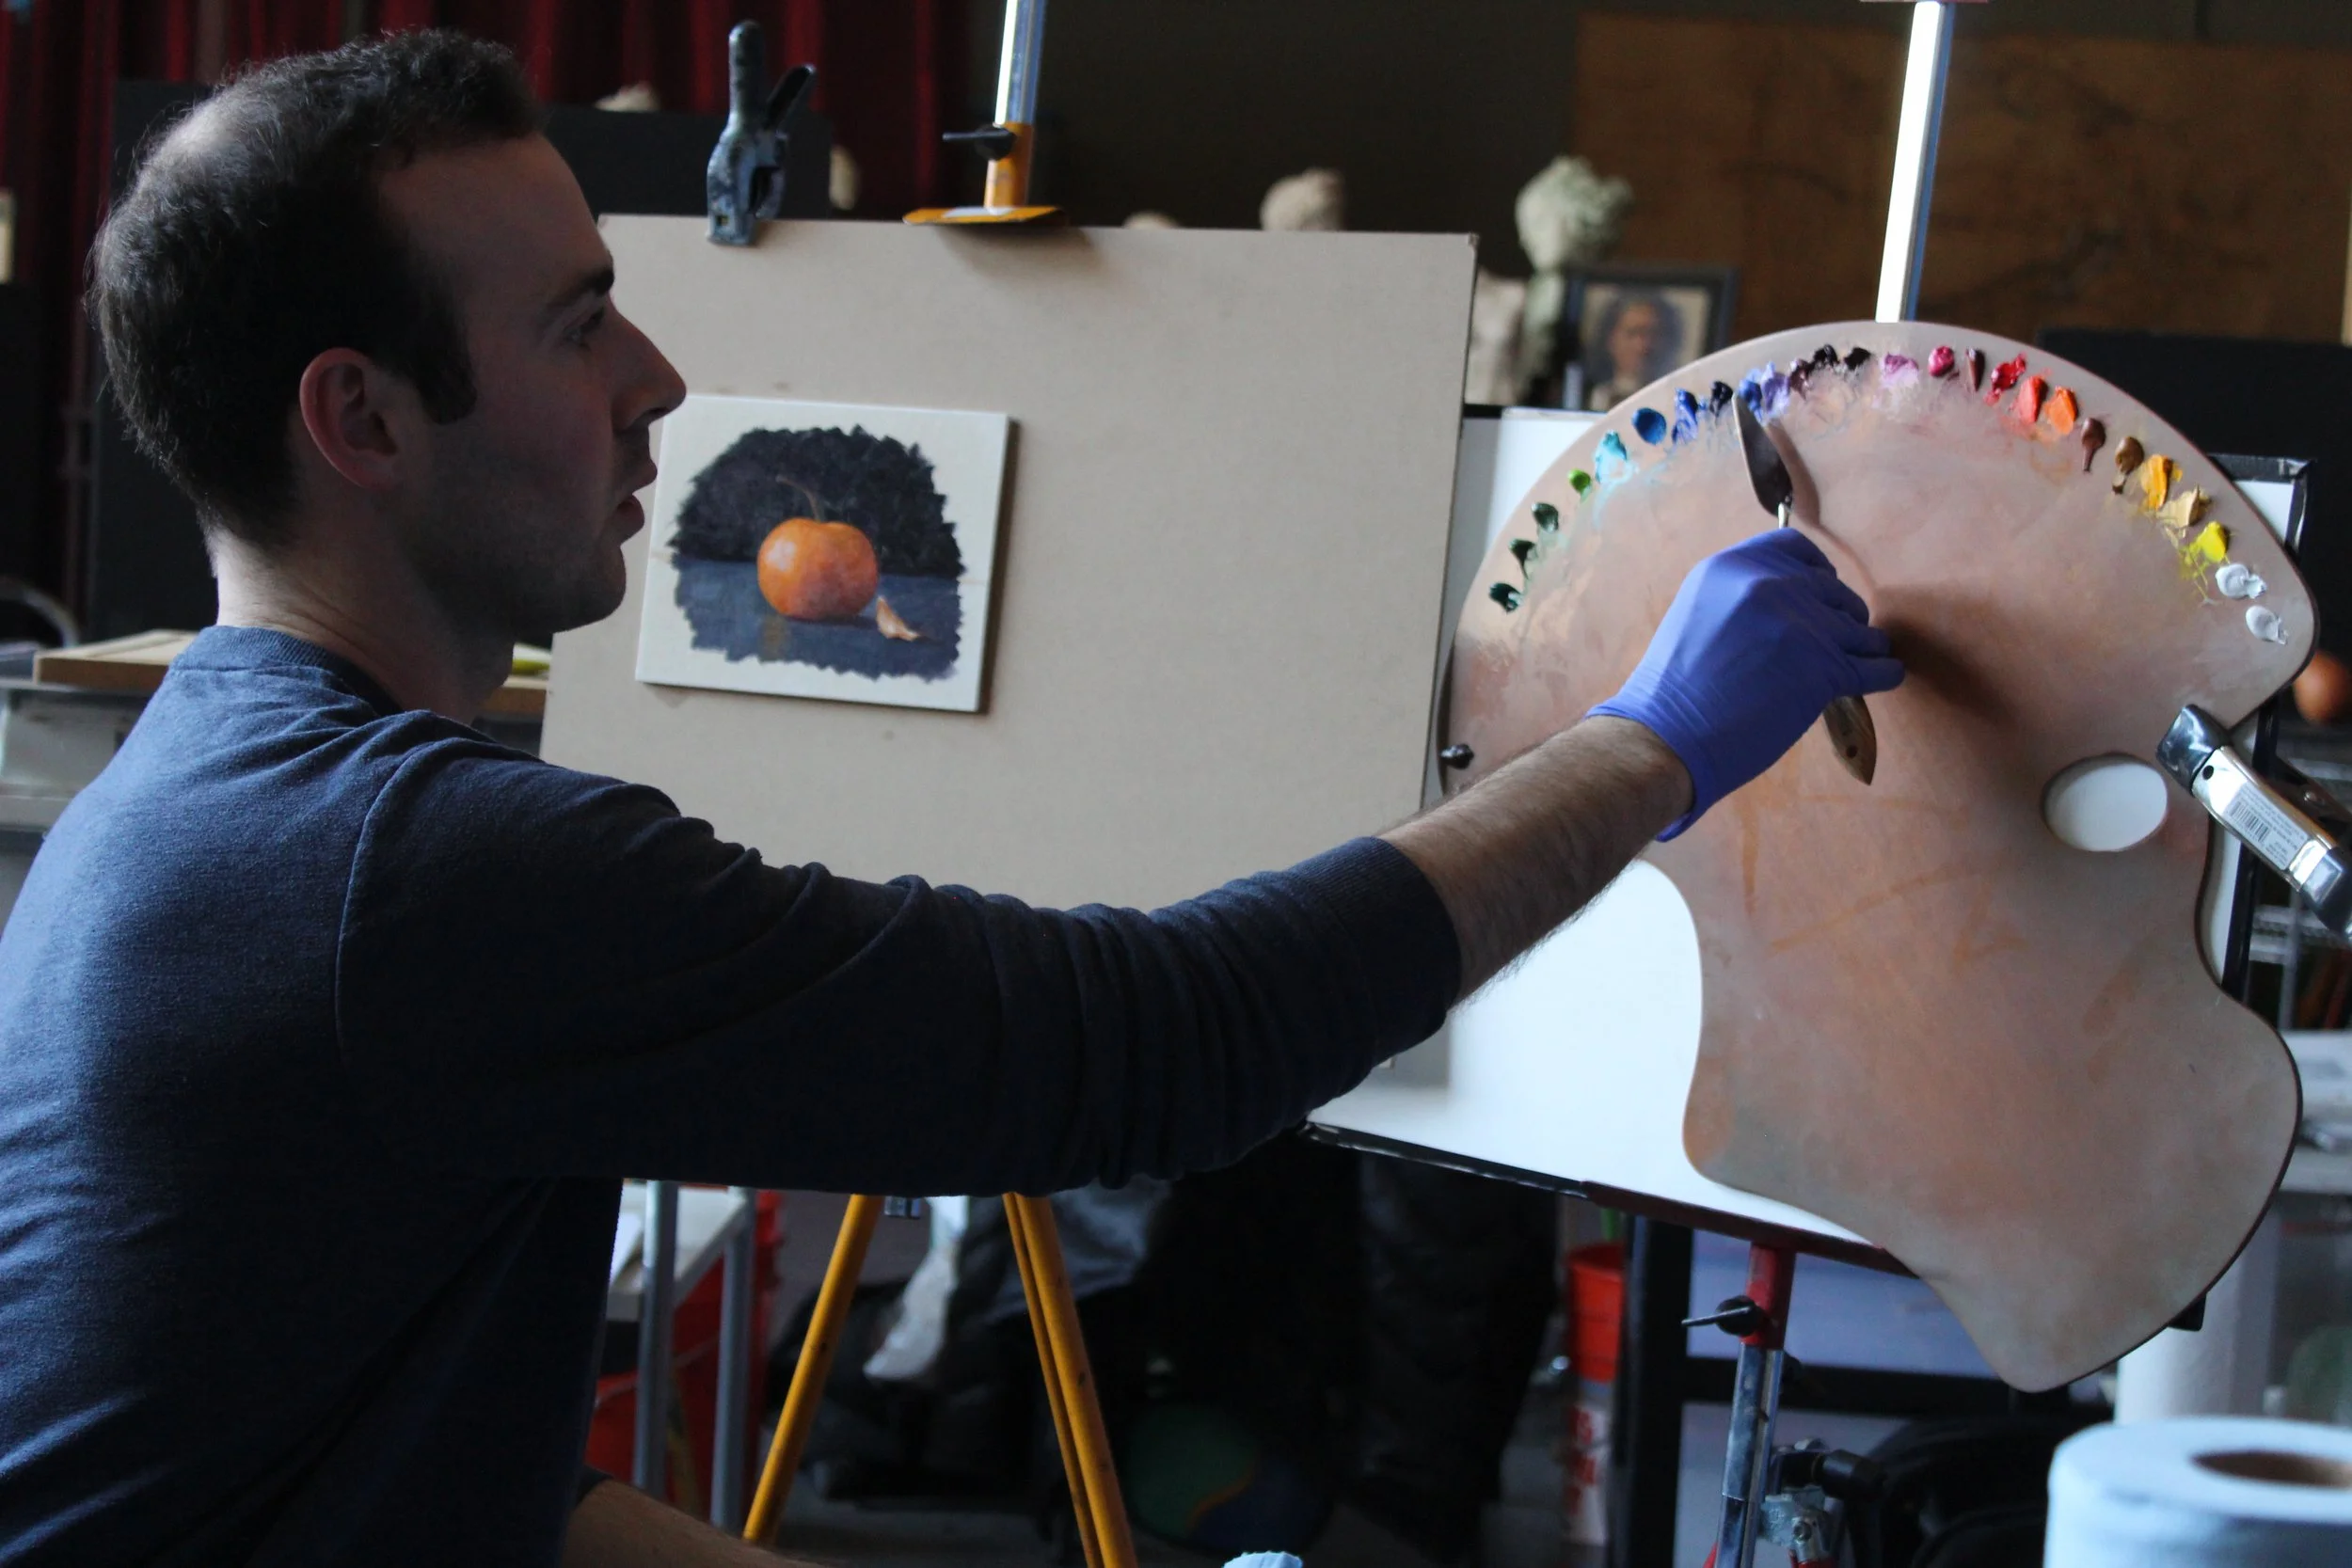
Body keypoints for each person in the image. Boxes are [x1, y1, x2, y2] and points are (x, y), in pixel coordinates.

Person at [0, 32, 1899, 1568]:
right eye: (579, 325)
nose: (659, 377)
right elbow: (1155, 1044)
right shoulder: (404, 872)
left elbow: (416, 1476)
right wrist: (1653, 738)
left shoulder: (205, 789)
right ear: (362, 420)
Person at [1580, 288, 1687, 411]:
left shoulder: (1680, 402)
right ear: (1610, 339)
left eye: (1653, 334)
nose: (1643, 346)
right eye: (1632, 333)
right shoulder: (1585, 395)